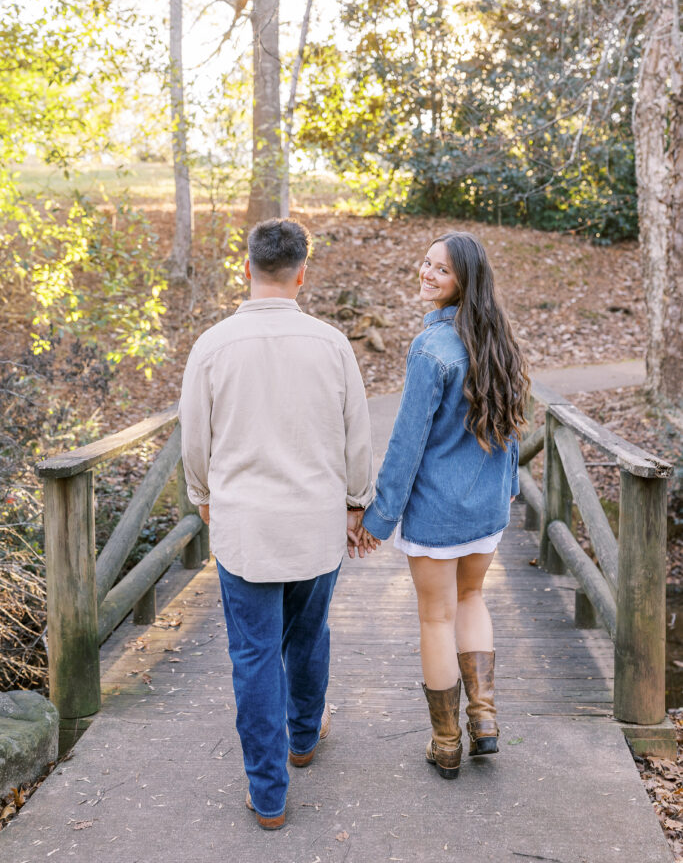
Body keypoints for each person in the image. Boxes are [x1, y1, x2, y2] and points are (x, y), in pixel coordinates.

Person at [178, 218, 375, 829]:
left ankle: (269, 795)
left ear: (247, 268)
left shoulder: (212, 345)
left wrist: (204, 496)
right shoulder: (332, 343)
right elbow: (357, 435)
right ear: (302, 274)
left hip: (246, 532)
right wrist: (355, 503)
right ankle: (303, 739)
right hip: (314, 528)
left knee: (255, 655)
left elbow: (194, 440)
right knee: (308, 636)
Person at [360, 231, 529, 780]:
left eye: (442, 270)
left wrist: (378, 518)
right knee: (473, 597)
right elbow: (511, 425)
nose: (427, 274)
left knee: (437, 618)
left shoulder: (430, 348)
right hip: (486, 509)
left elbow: (407, 442)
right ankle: (485, 722)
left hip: (437, 511)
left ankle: (447, 742)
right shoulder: (498, 338)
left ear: (464, 281)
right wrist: (508, 487)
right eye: (426, 263)